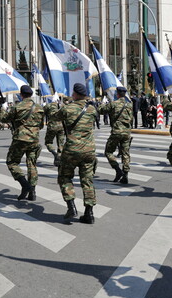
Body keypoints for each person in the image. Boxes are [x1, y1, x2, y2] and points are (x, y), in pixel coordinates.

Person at [51, 83, 99, 224]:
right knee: (87, 181)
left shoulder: (67, 108)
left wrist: (57, 105)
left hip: (72, 150)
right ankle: (89, 213)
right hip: (89, 150)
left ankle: (71, 206)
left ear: (75, 94)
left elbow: (54, 117)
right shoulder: (91, 109)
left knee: (64, 177)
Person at [4, 85, 45, 201]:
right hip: (34, 139)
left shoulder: (17, 107)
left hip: (20, 139)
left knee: (12, 162)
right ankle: (32, 192)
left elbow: (5, 118)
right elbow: (41, 125)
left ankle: (25, 185)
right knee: (31, 164)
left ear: (21, 95)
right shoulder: (39, 107)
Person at [99, 86, 132, 184]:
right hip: (126, 132)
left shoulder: (113, 104)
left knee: (108, 152)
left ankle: (118, 170)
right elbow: (131, 118)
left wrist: (103, 102)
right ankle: (125, 174)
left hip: (116, 132)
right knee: (125, 153)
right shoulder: (129, 104)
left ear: (117, 94)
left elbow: (100, 110)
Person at [43, 96, 65, 167]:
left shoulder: (48, 106)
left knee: (48, 142)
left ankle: (55, 154)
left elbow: (42, 114)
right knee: (60, 144)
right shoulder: (62, 105)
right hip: (61, 126)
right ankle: (59, 159)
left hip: (52, 126)